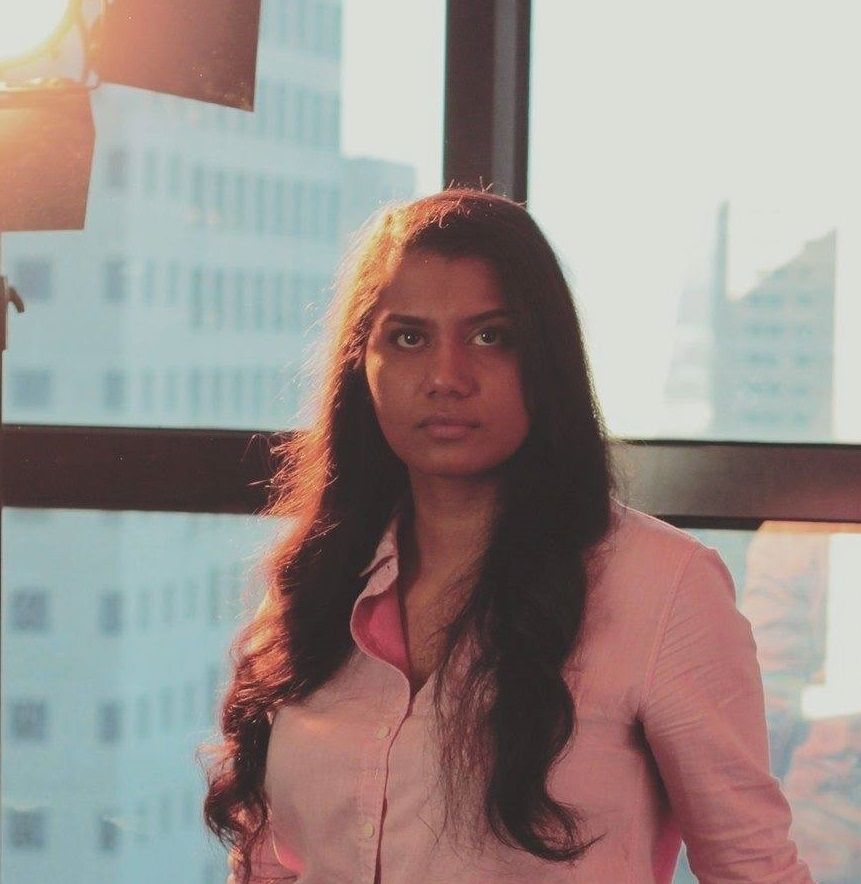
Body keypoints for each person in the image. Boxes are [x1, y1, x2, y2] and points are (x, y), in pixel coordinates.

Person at [203, 189, 812, 883]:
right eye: (408, 337)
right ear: (359, 364)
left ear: (544, 360)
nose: (445, 378)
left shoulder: (661, 585)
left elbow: (752, 868)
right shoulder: (312, 584)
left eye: (491, 335)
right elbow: (264, 861)